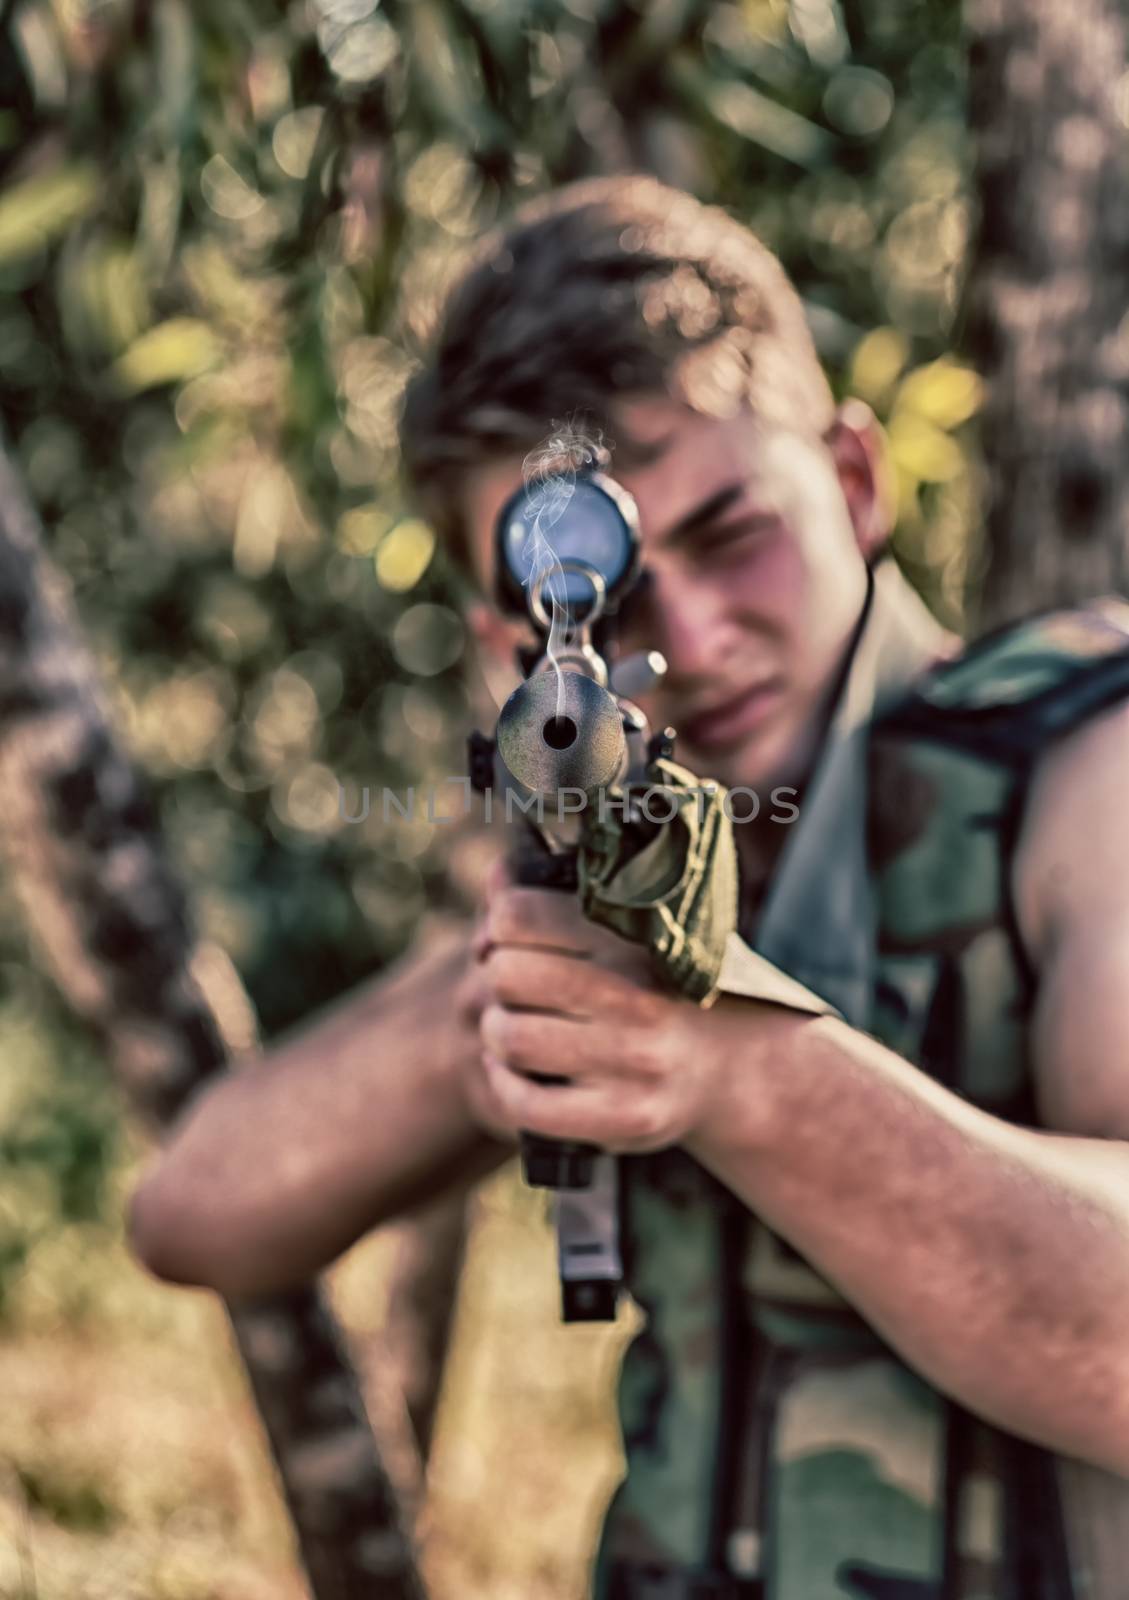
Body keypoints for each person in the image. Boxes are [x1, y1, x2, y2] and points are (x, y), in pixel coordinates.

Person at [130, 176, 1129, 1600]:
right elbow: (194, 1213)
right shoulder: (626, 840)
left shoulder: (1081, 757)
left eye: (735, 534)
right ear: (508, 638)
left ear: (852, 481)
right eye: (619, 601)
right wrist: (508, 1020)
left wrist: (740, 1071)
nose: (702, 639)